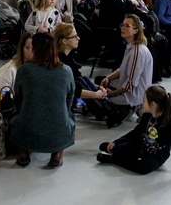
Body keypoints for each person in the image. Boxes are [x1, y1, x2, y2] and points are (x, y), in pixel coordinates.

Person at [96, 85, 171, 176]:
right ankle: (115, 151)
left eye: (144, 101)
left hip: (156, 156)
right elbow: (136, 132)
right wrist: (117, 142)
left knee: (143, 167)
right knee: (112, 147)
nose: (142, 103)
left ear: (152, 104)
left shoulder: (170, 121)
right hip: (141, 145)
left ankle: (114, 159)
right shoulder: (146, 115)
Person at [11, 32, 74, 168]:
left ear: (35, 49)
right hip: (58, 130)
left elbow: (18, 100)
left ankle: (23, 152)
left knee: (16, 118)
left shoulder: (24, 70)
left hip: (29, 129)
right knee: (69, 117)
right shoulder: (66, 71)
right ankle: (57, 154)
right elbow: (69, 100)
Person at [98, 14, 153, 128]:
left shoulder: (137, 51)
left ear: (136, 30)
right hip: (133, 91)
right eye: (122, 25)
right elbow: (122, 69)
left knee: (96, 97)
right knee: (100, 80)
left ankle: (127, 108)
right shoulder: (131, 47)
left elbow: (131, 83)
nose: (122, 28)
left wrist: (112, 94)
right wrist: (108, 78)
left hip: (132, 95)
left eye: (127, 26)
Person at [54, 23, 106, 116]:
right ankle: (105, 110)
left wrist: (97, 88)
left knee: (83, 79)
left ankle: (105, 107)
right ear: (64, 41)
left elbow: (78, 76)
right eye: (74, 37)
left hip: (70, 93)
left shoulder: (69, 57)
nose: (78, 38)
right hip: (62, 97)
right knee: (79, 81)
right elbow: (73, 89)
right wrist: (96, 94)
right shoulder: (60, 61)